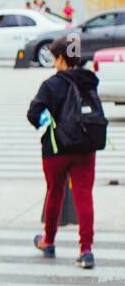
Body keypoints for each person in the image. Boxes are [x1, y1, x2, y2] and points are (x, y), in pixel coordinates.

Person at [28, 35, 106, 269]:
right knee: (84, 196)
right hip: (85, 147)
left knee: (55, 192)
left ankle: (49, 241)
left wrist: (48, 121)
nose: (54, 63)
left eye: (54, 58)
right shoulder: (89, 81)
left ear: (62, 58)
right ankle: (86, 250)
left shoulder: (52, 84)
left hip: (56, 149)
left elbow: (33, 114)